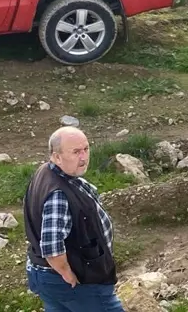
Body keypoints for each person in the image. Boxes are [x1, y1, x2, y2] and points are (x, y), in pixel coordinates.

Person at [24, 127, 123, 311]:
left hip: (44, 275)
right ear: (57, 156)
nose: (84, 157)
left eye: (86, 149)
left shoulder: (46, 172)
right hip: (73, 282)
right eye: (76, 152)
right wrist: (67, 274)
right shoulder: (58, 194)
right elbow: (52, 247)